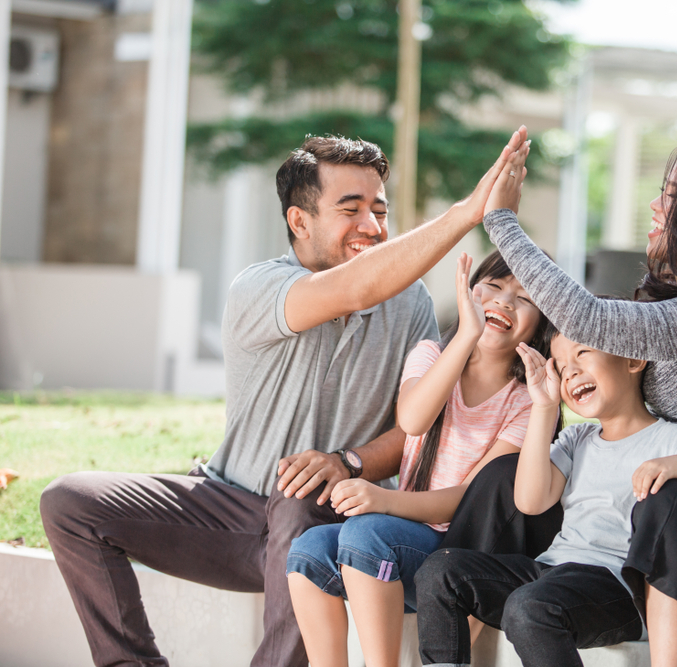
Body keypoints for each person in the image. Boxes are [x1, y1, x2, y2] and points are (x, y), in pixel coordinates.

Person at [38, 128, 531, 667]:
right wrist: (468, 211)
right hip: (229, 509)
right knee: (68, 502)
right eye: (351, 209)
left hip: (326, 523)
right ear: (300, 220)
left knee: (301, 500)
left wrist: (350, 462)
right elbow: (353, 287)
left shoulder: (408, 302)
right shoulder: (260, 288)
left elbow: (414, 424)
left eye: (380, 210)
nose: (372, 225)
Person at [440, 128, 677, 667]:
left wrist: (501, 219)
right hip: (660, 479)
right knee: (504, 477)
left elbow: (585, 319)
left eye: (674, 199)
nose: (655, 206)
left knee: (669, 494)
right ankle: (464, 617)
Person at [416, 329, 677, 667]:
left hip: (614, 585)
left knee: (530, 608)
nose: (571, 372)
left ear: (633, 359)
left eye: (583, 352)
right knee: (440, 571)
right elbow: (530, 501)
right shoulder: (577, 439)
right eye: (561, 365)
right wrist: (543, 406)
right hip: (552, 572)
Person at [285, 250, 551, 667]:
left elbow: (473, 497)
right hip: (397, 548)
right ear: (470, 291)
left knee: (366, 534)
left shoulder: (527, 401)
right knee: (308, 551)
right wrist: (466, 336)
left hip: (455, 548)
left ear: (542, 323)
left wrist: (384, 500)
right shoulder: (430, 354)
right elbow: (412, 419)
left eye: (525, 298)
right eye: (494, 287)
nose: (504, 302)